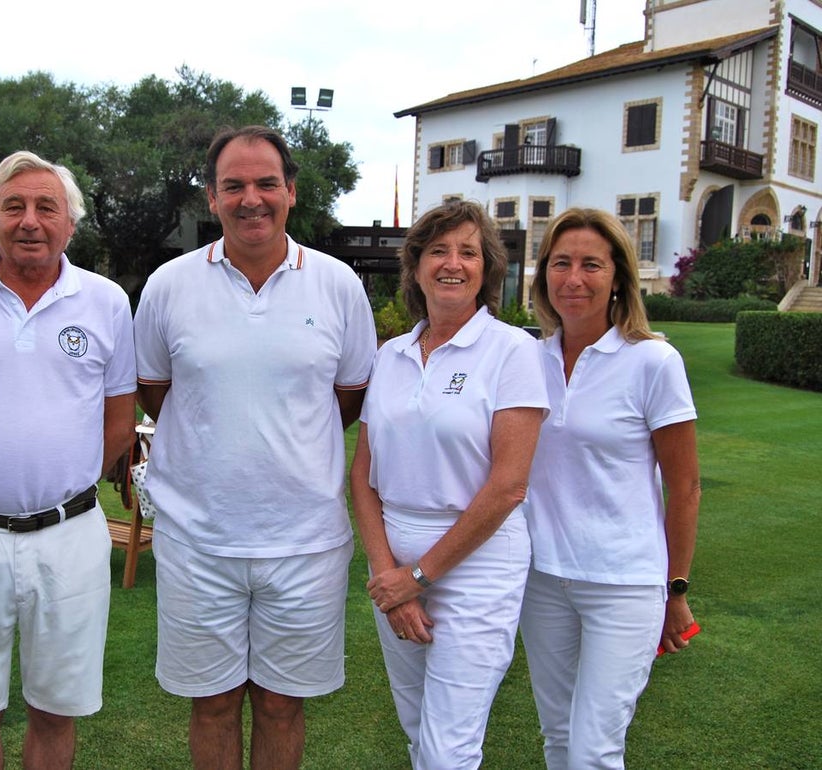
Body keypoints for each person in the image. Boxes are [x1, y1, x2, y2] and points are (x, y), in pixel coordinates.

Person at [134, 125, 377, 769]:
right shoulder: (168, 284)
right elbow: (157, 389)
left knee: (279, 704)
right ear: (210, 198)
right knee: (211, 704)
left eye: (267, 183)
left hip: (305, 540)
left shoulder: (337, 284)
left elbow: (348, 396)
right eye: (233, 185)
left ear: (291, 192)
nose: (252, 199)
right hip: (197, 538)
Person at [0, 150, 136, 769]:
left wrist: (63, 483)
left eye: (46, 207)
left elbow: (119, 420)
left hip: (69, 535)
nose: (30, 220)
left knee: (55, 710)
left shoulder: (107, 301)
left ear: (71, 224)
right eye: (14, 206)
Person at [349, 200, 548, 769]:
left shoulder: (513, 351)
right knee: (417, 731)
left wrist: (417, 577)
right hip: (393, 559)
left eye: (467, 252)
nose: (452, 263)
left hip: (477, 562)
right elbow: (363, 476)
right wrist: (389, 573)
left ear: (487, 269)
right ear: (415, 267)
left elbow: (509, 486)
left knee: (447, 749)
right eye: (437, 251)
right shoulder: (391, 355)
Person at [519, 207, 701, 769]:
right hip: (542, 579)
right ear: (544, 273)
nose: (574, 278)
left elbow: (686, 485)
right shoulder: (527, 358)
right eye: (561, 263)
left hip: (623, 585)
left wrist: (675, 590)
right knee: (557, 736)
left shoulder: (653, 361)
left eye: (591, 265)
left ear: (618, 276)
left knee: (595, 748)